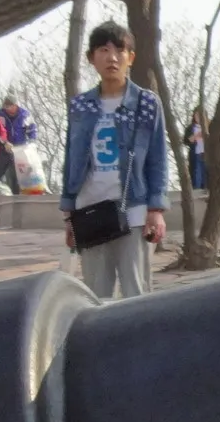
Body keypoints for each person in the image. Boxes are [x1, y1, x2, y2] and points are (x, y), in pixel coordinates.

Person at [61, 23, 167, 301]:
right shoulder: (80, 106)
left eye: (120, 50)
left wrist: (156, 209)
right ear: (91, 58)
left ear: (131, 57)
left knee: (137, 294)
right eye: (103, 50)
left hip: (133, 210)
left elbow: (157, 158)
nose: (112, 58)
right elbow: (71, 159)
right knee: (96, 297)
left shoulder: (146, 103)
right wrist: (69, 214)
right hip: (89, 211)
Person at [0, 96, 37, 192]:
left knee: (18, 173)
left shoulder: (25, 115)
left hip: (20, 149)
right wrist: (4, 142)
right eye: (6, 107)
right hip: (4, 148)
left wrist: (32, 141)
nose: (8, 109)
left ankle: (17, 194)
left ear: (15, 105)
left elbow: (32, 128)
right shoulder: (0, 115)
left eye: (10, 106)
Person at [187, 110, 208, 190]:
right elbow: (187, 140)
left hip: (207, 154)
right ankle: (196, 188)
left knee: (206, 173)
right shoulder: (191, 128)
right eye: (196, 115)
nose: (198, 117)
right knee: (196, 173)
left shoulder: (209, 127)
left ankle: (206, 188)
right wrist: (196, 136)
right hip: (196, 154)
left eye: (200, 115)